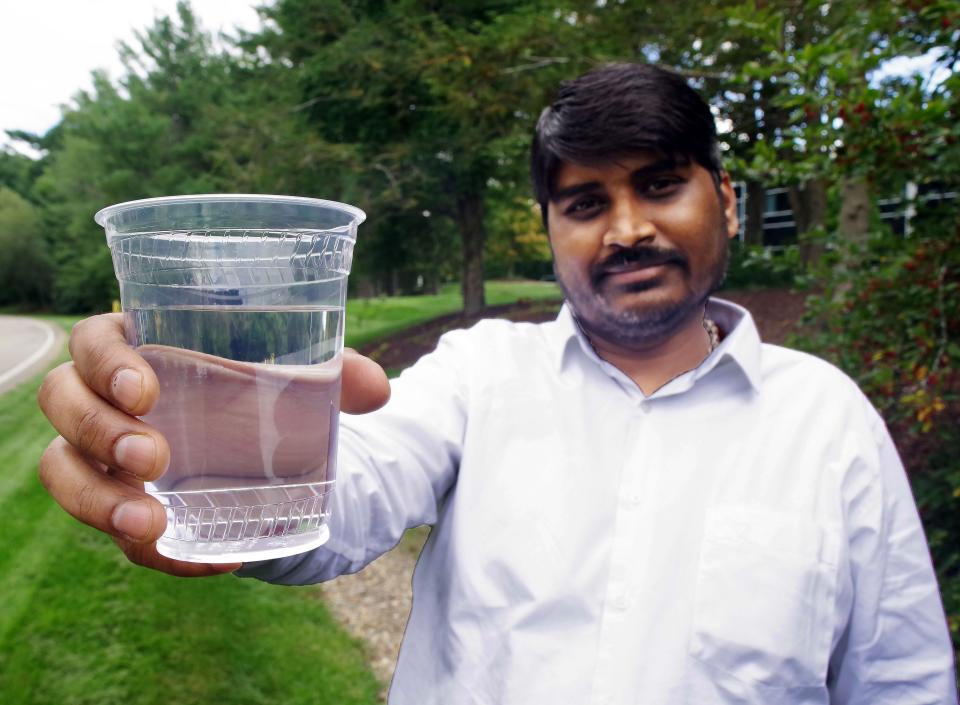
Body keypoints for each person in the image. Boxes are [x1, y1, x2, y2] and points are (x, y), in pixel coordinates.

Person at [37, 63, 956, 704]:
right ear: (549, 227)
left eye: (661, 185)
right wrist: (183, 421)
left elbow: (902, 682)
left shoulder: (827, 421)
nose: (626, 227)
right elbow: (336, 503)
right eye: (586, 202)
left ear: (723, 194)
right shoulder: (480, 374)